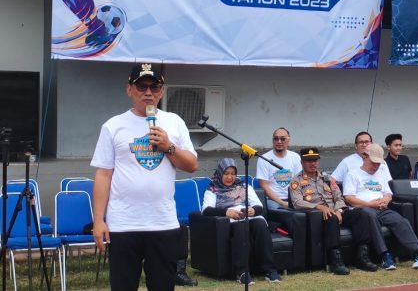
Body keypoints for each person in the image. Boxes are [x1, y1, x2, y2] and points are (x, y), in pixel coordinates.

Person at [91, 63, 199, 291]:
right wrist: (99, 220)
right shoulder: (113, 126)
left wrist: (168, 146)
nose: (148, 92)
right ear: (129, 89)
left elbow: (191, 165)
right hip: (123, 224)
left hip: (162, 222)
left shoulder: (174, 122)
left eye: (154, 87)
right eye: (141, 86)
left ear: (162, 91)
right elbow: (103, 175)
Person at [343, 144, 418, 270]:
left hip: (381, 208)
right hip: (362, 209)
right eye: (373, 163)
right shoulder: (353, 174)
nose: (376, 166)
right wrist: (370, 204)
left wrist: (386, 200)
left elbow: (388, 193)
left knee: (400, 221)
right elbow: (349, 198)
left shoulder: (381, 173)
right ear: (365, 157)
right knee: (370, 216)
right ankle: (384, 255)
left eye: (378, 164)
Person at [289, 147, 378, 275]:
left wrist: (339, 210)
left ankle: (362, 256)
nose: (312, 163)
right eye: (309, 161)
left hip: (335, 211)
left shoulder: (327, 178)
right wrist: (319, 207)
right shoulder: (296, 181)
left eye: (315, 160)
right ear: (302, 162)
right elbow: (297, 202)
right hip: (318, 215)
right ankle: (335, 260)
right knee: (331, 217)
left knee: (361, 214)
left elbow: (339, 197)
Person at [202, 158, 281, 284]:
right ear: (220, 173)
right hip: (230, 220)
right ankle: (242, 272)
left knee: (260, 224)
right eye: (226, 173)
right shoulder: (212, 189)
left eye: (233, 174)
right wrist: (226, 212)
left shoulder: (244, 186)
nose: (230, 177)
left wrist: (253, 210)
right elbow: (206, 210)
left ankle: (269, 269)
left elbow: (259, 206)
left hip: (248, 216)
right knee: (241, 226)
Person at [256, 127, 302, 209]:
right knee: (277, 209)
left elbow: (299, 181)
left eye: (283, 139)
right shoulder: (264, 158)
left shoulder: (295, 157)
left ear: (288, 141)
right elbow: (264, 185)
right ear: (272, 141)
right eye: (276, 139)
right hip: (272, 200)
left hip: (293, 198)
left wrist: (295, 200)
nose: (279, 141)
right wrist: (282, 203)